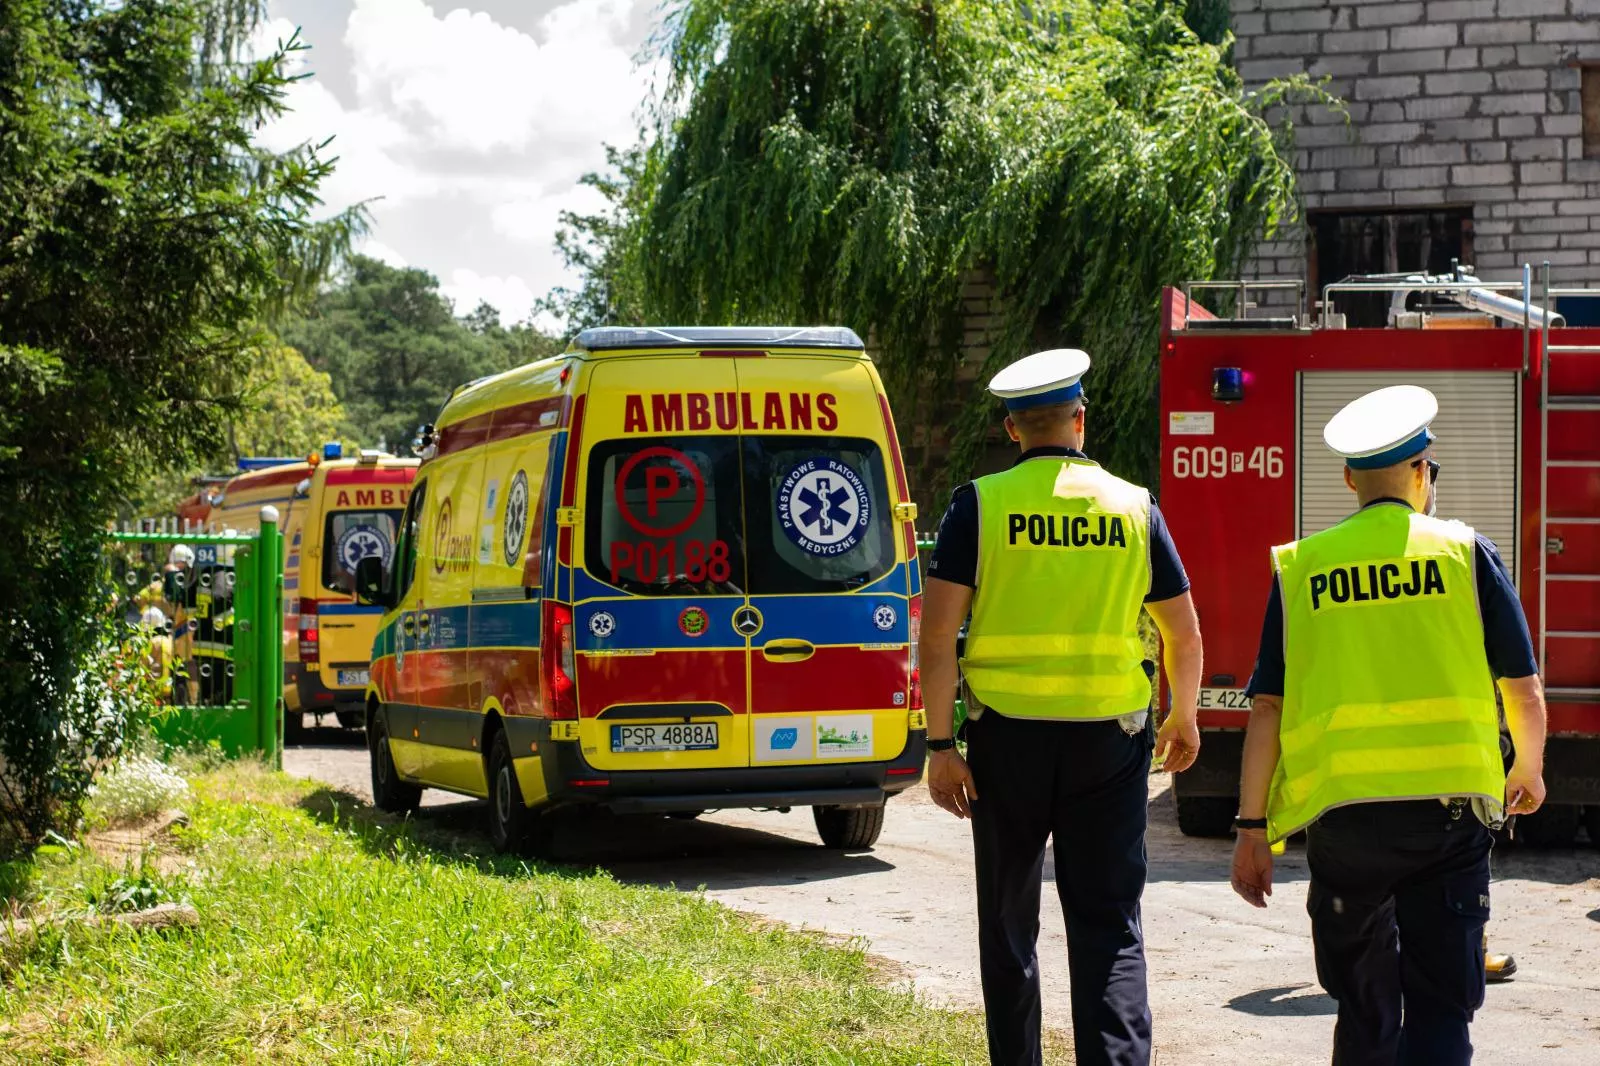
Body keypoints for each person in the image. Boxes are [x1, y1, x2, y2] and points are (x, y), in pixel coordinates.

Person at [1229, 384, 1547, 1066]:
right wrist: (1528, 768)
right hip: (1448, 819)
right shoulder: (1466, 555)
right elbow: (1521, 689)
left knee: (1366, 1011)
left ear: (1348, 478)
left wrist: (1252, 829)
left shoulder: (1302, 568)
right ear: (1423, 471)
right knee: (1440, 1010)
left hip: (1347, 826)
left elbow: (1268, 709)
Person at [920, 348, 1204, 1066]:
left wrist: (939, 746)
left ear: (1012, 429)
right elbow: (1184, 632)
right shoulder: (1135, 506)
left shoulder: (980, 505)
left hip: (1004, 742)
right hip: (1108, 743)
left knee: (1010, 922)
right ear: (1082, 420)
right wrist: (1184, 715)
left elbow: (936, 636)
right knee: (1109, 924)